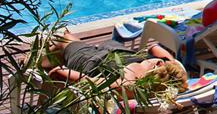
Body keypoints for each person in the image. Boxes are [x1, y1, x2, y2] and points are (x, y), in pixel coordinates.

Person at [43, 31, 188, 96]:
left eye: (160, 61)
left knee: (65, 38)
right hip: (109, 53)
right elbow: (154, 48)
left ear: (158, 66)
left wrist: (60, 71)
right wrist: (171, 62)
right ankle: (52, 53)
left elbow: (90, 82)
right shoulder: (172, 77)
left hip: (91, 61)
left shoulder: (129, 83)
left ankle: (39, 62)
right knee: (71, 40)